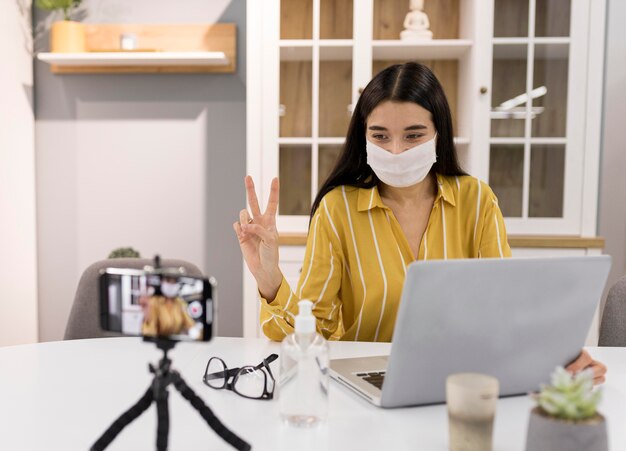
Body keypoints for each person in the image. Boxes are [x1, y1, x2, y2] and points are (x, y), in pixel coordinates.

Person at [234, 62, 607, 385]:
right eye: (380, 136)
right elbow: (312, 331)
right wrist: (270, 282)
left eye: (414, 135)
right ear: (363, 138)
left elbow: (503, 313)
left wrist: (555, 357)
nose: (396, 150)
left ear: (438, 135)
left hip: (461, 379)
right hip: (369, 380)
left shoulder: (476, 200)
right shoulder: (338, 209)